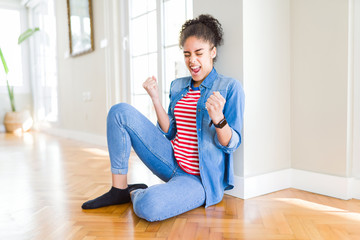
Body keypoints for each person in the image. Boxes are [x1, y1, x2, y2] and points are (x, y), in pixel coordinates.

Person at [82, 14, 245, 222]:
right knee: (119, 112)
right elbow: (170, 131)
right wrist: (156, 99)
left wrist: (218, 119)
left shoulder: (229, 88)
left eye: (198, 53)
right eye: (187, 54)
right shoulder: (178, 86)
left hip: (198, 180)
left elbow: (231, 144)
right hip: (169, 161)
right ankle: (119, 189)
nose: (192, 61)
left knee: (150, 206)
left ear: (213, 52)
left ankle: (135, 193)